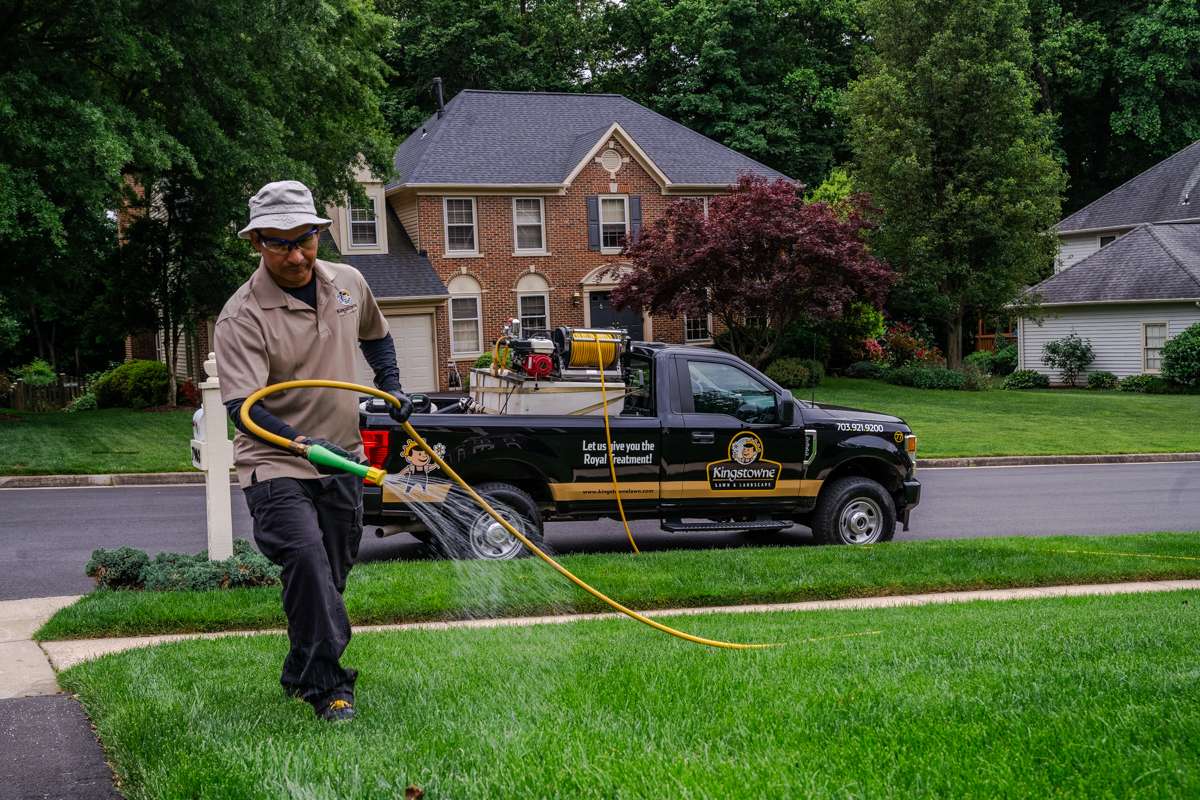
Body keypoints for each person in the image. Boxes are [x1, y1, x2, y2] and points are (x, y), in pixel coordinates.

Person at [214, 180, 413, 723]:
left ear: (318, 232)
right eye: (280, 244)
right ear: (256, 242)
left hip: (343, 457)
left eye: (305, 239)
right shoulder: (242, 315)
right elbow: (244, 408)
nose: (296, 254)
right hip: (275, 462)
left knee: (331, 576)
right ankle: (329, 687)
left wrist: (392, 384)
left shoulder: (348, 282)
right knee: (305, 559)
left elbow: (376, 334)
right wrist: (303, 443)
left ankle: (300, 667)